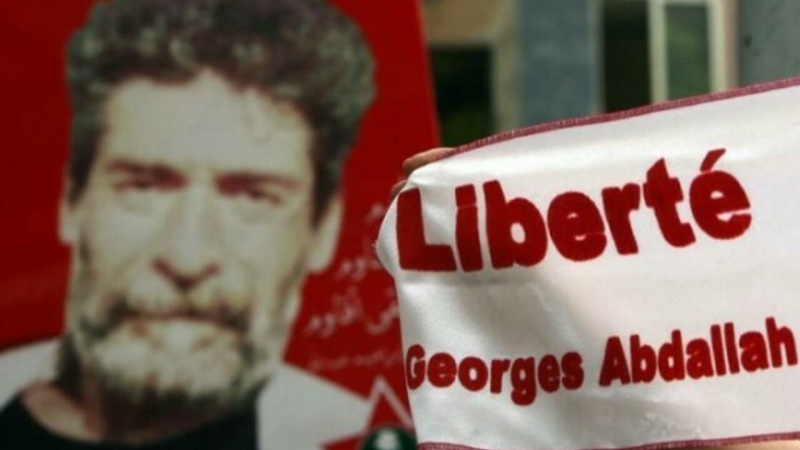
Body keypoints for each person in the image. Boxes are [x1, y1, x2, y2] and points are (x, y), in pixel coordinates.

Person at [0, 0, 374, 447]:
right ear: (72, 202)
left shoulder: (375, 432)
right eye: (144, 187)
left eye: (254, 196)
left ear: (324, 229)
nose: (187, 257)